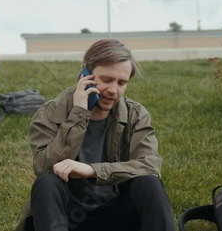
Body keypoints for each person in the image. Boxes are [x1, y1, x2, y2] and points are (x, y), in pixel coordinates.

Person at [16, 39, 176, 231]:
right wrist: (79, 114)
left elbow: (150, 165)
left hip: (117, 214)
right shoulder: (51, 112)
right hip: (66, 217)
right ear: (85, 72)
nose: (113, 90)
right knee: (46, 183)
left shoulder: (136, 114)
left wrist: (92, 170)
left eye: (122, 83)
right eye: (106, 80)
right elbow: (43, 167)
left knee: (149, 182)